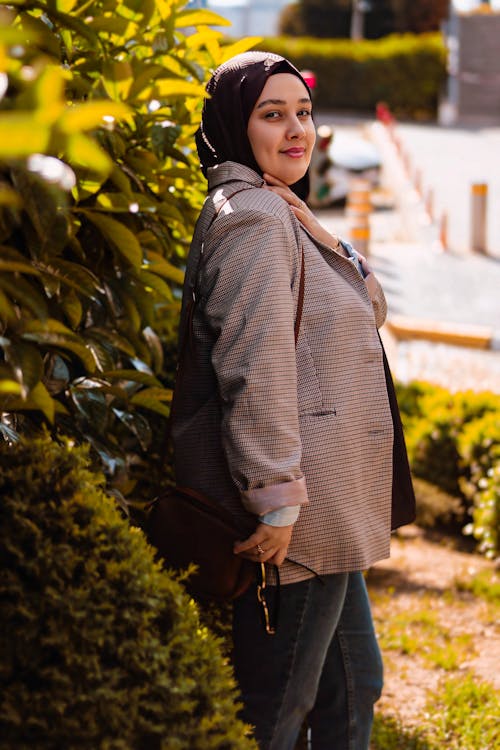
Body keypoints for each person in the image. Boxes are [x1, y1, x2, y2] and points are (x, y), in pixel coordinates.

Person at [171, 51, 415, 750]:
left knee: (353, 683)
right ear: (233, 125)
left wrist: (315, 224)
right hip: (296, 514)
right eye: (271, 114)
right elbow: (256, 367)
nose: (296, 129)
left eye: (302, 111)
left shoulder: (279, 212)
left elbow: (370, 306)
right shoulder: (254, 222)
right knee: (277, 708)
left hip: (322, 505)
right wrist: (276, 500)